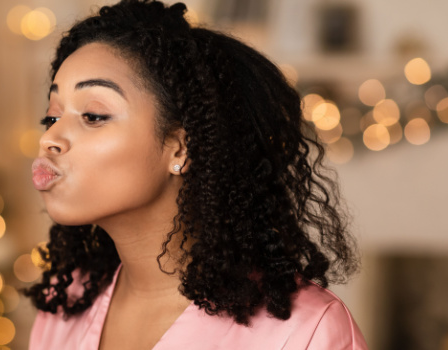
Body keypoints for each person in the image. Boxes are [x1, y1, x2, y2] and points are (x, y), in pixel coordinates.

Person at [24, 0, 368, 349]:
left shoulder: (305, 330)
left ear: (180, 148)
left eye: (93, 116)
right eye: (52, 116)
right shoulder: (66, 302)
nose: (49, 138)